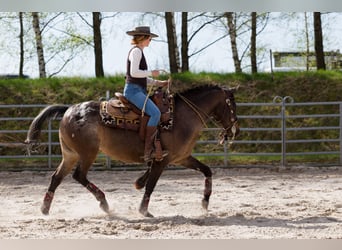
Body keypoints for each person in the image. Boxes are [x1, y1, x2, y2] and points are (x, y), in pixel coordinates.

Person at [124, 26, 168, 162]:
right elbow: (134, 73)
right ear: (142, 38)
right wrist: (152, 72)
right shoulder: (136, 52)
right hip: (133, 91)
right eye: (149, 38)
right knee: (156, 113)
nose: (150, 40)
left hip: (137, 90)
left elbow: (141, 77)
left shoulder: (138, 51)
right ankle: (149, 150)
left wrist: (158, 83)